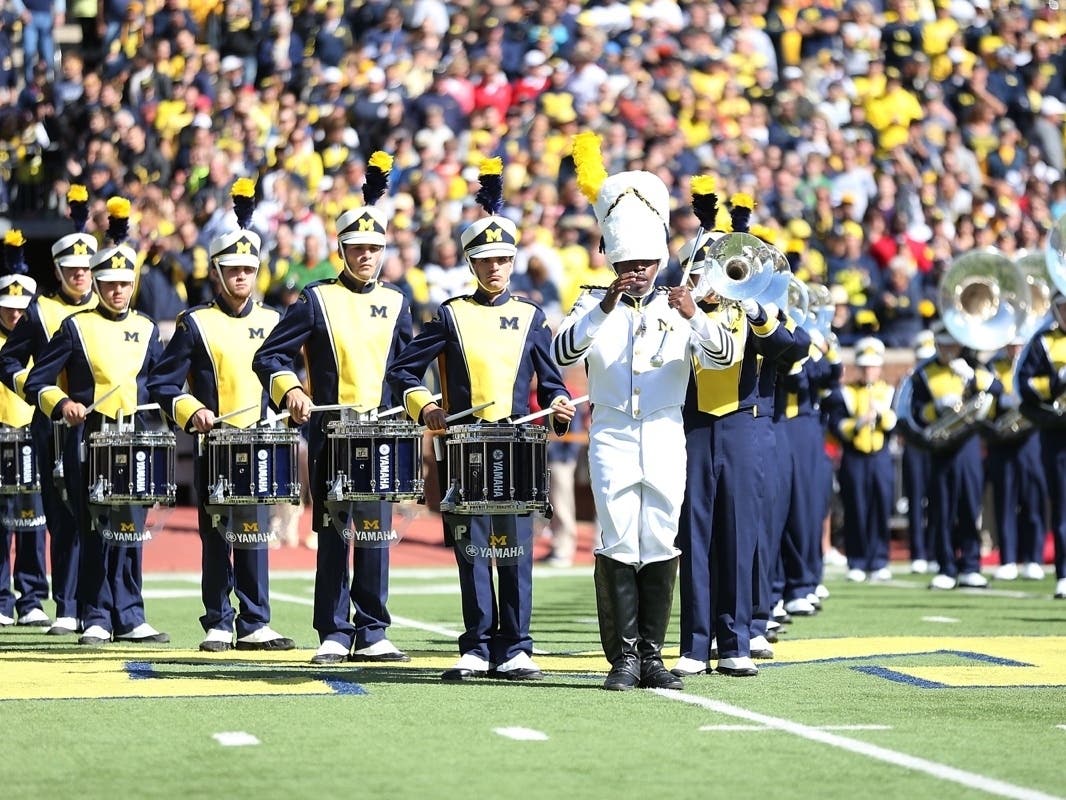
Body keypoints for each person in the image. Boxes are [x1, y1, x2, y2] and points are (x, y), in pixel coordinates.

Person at [552, 133, 733, 691]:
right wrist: (605, 304)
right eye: (627, 261)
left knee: (659, 535)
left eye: (646, 262)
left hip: (663, 429)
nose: (637, 271)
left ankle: (653, 653)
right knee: (616, 536)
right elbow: (563, 351)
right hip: (610, 429)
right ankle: (622, 657)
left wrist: (695, 316)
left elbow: (722, 354)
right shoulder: (591, 299)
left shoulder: (681, 299)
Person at [388, 157, 575, 682]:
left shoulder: (533, 316)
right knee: (472, 548)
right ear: (471, 262)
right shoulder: (450, 314)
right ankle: (476, 643)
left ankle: (516, 645)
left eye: (502, 259)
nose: (495, 267)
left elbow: (553, 382)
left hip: (516, 444)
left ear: (513, 260)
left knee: (514, 547)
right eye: (485, 259)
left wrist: (557, 406)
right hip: (464, 445)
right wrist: (426, 408)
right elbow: (404, 372)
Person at [254, 152, 414, 665]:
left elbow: (407, 368)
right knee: (333, 531)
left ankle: (373, 629)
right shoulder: (315, 298)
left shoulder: (398, 300)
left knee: (375, 533)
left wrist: (418, 403)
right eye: (357, 247)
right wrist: (291, 390)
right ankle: (334, 630)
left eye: (374, 248)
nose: (366, 255)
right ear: (341, 250)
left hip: (382, 433)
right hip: (332, 434)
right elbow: (270, 355)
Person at [148, 179, 295, 652]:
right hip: (215, 441)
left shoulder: (274, 320)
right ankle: (217, 619)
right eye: (231, 269)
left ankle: (255, 621)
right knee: (216, 532)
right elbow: (163, 384)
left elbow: (285, 372)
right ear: (216, 272)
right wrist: (193, 413)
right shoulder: (196, 323)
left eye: (247, 269)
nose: (240, 277)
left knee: (255, 528)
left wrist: (291, 397)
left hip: (260, 442)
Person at [23, 197, 170, 645]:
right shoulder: (76, 327)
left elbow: (160, 384)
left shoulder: (146, 328)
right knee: (94, 527)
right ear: (99, 284)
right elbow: (37, 382)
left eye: (124, 282)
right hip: (90, 437)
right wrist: (61, 403)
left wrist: (182, 409)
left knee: (131, 525)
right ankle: (96, 615)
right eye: (107, 282)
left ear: (132, 283)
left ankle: (130, 613)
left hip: (136, 438)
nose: (116, 290)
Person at [672, 182, 797, 679]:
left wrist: (755, 307)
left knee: (739, 534)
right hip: (692, 427)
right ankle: (694, 644)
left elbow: (793, 349)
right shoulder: (673, 309)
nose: (709, 276)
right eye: (701, 266)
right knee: (694, 536)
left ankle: (737, 639)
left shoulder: (747, 310)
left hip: (742, 425)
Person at [0, 184, 97, 635]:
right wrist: (41, 396)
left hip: (102, 430)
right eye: (71, 268)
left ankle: (109, 608)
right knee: (58, 517)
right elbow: (10, 361)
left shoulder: (109, 304)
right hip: (53, 428)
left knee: (107, 516)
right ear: (57, 270)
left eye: (85, 268)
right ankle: (69, 606)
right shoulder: (40, 311)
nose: (80, 275)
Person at [910, 321, 1000, 590]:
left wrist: (972, 378)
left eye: (953, 344)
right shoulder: (925, 372)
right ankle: (945, 566)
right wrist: (935, 409)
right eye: (944, 344)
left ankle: (971, 565)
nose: (949, 349)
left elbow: (996, 390)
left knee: (970, 503)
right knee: (941, 507)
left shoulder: (973, 366)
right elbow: (915, 410)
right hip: (941, 446)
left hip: (968, 442)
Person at [0, 230, 48, 627]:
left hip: (33, 435)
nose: (15, 315)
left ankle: (31, 596)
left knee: (33, 521)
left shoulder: (40, 339)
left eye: (20, 309)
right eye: (7, 308)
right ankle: (1, 598)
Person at [824, 337, 897, 582]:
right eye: (864, 366)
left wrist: (882, 415)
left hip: (880, 455)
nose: (868, 371)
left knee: (880, 506)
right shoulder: (845, 392)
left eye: (873, 366)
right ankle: (856, 559)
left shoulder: (888, 391)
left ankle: (879, 560)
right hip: (854, 456)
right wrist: (858, 422)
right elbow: (835, 425)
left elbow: (895, 425)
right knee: (855, 507)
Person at [983, 337, 1047, 582]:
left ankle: (1034, 558)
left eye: (1019, 345)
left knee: (1034, 500)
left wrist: (1028, 396)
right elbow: (986, 394)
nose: (1015, 350)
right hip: (1002, 442)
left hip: (1030, 438)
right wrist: (1003, 398)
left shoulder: (1034, 360)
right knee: (1005, 501)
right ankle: (1008, 559)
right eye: (1011, 345)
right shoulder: (993, 366)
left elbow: (1044, 385)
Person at [1017, 292, 1066, 599]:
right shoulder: (1043, 341)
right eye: (1063, 307)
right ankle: (1064, 572)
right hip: (1059, 429)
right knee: (1063, 504)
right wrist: (1057, 380)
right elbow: (1025, 383)